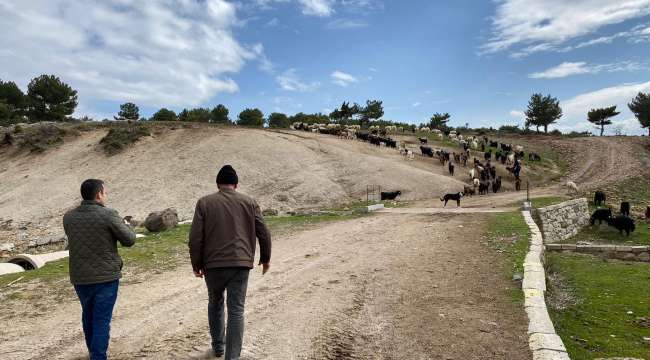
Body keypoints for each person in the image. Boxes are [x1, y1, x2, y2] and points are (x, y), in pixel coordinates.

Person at [189, 165, 272, 360]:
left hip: (213, 266)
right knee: (236, 310)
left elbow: (195, 238)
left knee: (215, 303)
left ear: (218, 184)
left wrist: (196, 264)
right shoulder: (250, 202)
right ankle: (232, 357)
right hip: (240, 265)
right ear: (236, 184)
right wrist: (265, 259)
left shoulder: (204, 203)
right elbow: (264, 233)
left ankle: (218, 348)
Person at [63, 179, 136, 360]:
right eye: (105, 192)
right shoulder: (108, 214)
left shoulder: (69, 217)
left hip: (80, 277)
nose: (106, 196)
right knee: (101, 320)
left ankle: (93, 352)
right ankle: (98, 356)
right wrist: (127, 225)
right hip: (106, 277)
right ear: (98, 195)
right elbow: (129, 240)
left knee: (88, 316)